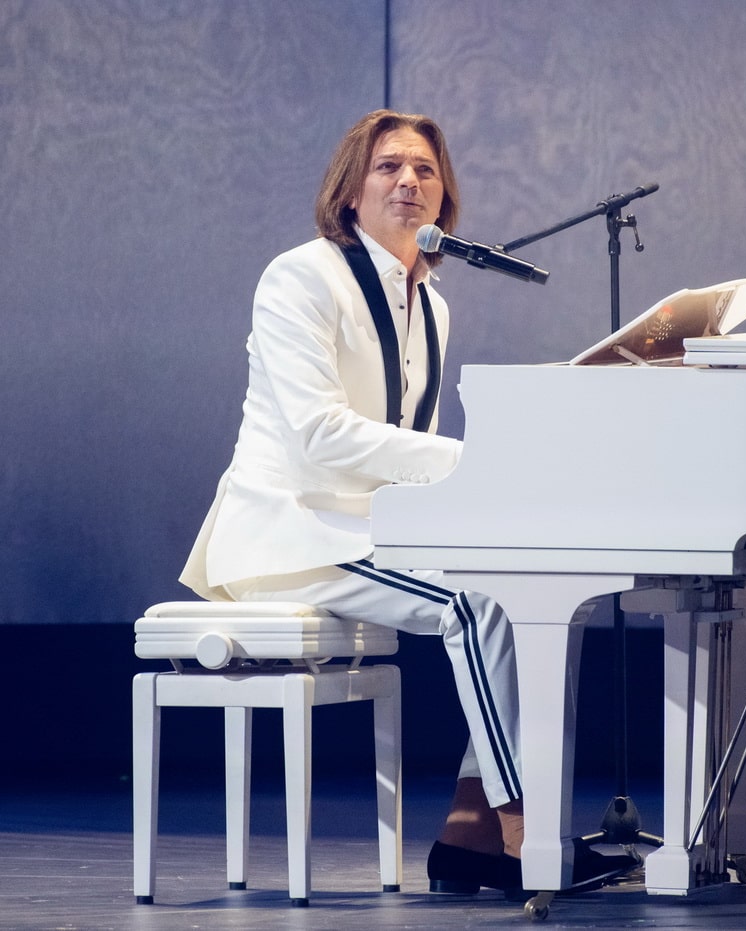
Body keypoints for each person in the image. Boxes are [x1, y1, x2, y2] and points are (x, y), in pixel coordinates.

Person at [179, 109, 632, 897]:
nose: (409, 181)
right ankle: (528, 834)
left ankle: (470, 830)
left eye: (425, 169)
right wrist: (475, 461)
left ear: (444, 196)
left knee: (542, 596)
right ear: (350, 190)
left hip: (368, 529)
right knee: (477, 602)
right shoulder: (300, 277)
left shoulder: (434, 304)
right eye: (388, 166)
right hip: (292, 531)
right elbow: (321, 436)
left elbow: (402, 455)